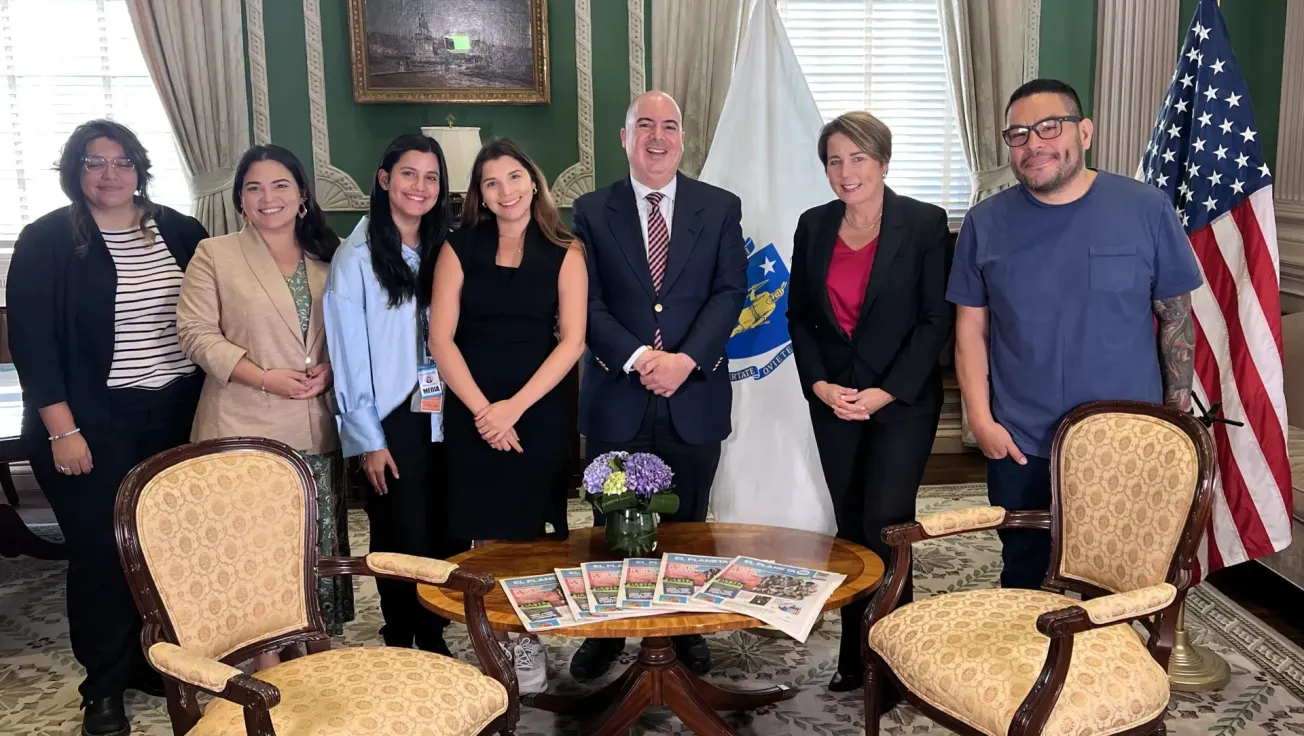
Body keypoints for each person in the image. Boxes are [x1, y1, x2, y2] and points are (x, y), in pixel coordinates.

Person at [947, 79, 1201, 591]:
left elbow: (1176, 319)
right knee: (1024, 575)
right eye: (1018, 134)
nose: (1033, 144)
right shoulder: (985, 222)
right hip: (1021, 440)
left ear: (1084, 132)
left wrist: (1174, 423)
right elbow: (970, 330)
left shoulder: (1146, 209)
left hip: (1126, 438)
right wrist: (980, 419)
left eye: (1049, 127)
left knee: (1117, 582)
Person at [6, 119, 208, 736]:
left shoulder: (180, 230)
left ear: (139, 168)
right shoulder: (46, 240)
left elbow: (212, 313)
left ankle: (155, 661)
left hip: (176, 412)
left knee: (164, 548)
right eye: (95, 162)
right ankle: (104, 684)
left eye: (122, 161)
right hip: (90, 421)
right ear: (75, 171)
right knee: (101, 551)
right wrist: (62, 430)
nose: (110, 173)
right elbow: (33, 344)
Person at [569, 90, 747, 679]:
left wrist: (686, 360)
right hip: (617, 393)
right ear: (625, 138)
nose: (657, 137)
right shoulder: (591, 211)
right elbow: (586, 301)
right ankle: (609, 631)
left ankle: (683, 626)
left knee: (688, 523)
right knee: (612, 522)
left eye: (669, 126)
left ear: (682, 139)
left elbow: (730, 293)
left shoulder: (719, 207)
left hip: (693, 394)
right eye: (644, 125)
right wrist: (643, 357)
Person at [786, 111, 952, 693]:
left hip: (900, 402)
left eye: (858, 158)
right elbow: (799, 317)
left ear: (883, 161)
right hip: (835, 401)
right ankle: (855, 655)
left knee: (888, 523)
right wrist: (819, 385)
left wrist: (885, 392)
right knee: (852, 527)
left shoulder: (925, 223)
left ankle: (892, 657)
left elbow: (935, 321)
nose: (846, 171)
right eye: (835, 160)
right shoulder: (813, 225)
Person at [177, 144, 352, 667]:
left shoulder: (332, 253)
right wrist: (262, 377)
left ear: (302, 195)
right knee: (253, 553)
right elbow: (194, 334)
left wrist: (333, 369)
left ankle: (312, 655)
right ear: (240, 199)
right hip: (243, 426)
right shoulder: (215, 253)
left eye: (280, 185)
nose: (267, 197)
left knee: (310, 551)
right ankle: (266, 666)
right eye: (253, 187)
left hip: (316, 427)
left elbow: (351, 330)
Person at [427, 137, 587, 693]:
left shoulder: (566, 249)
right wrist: (483, 412)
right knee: (485, 535)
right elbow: (440, 339)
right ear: (480, 193)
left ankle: (528, 639)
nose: (505, 191)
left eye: (514, 177)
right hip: (472, 405)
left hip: (537, 408)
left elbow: (572, 342)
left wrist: (513, 409)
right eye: (491, 182)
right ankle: (495, 638)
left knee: (530, 533)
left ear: (533, 181)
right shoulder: (457, 247)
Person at [324, 133, 468, 655]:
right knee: (401, 531)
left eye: (431, 177)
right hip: (392, 415)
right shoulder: (355, 257)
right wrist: (369, 439)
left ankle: (434, 629)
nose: (420, 187)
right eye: (409, 174)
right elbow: (348, 354)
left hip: (447, 406)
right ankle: (402, 633)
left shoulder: (446, 248)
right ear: (384, 179)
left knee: (446, 528)